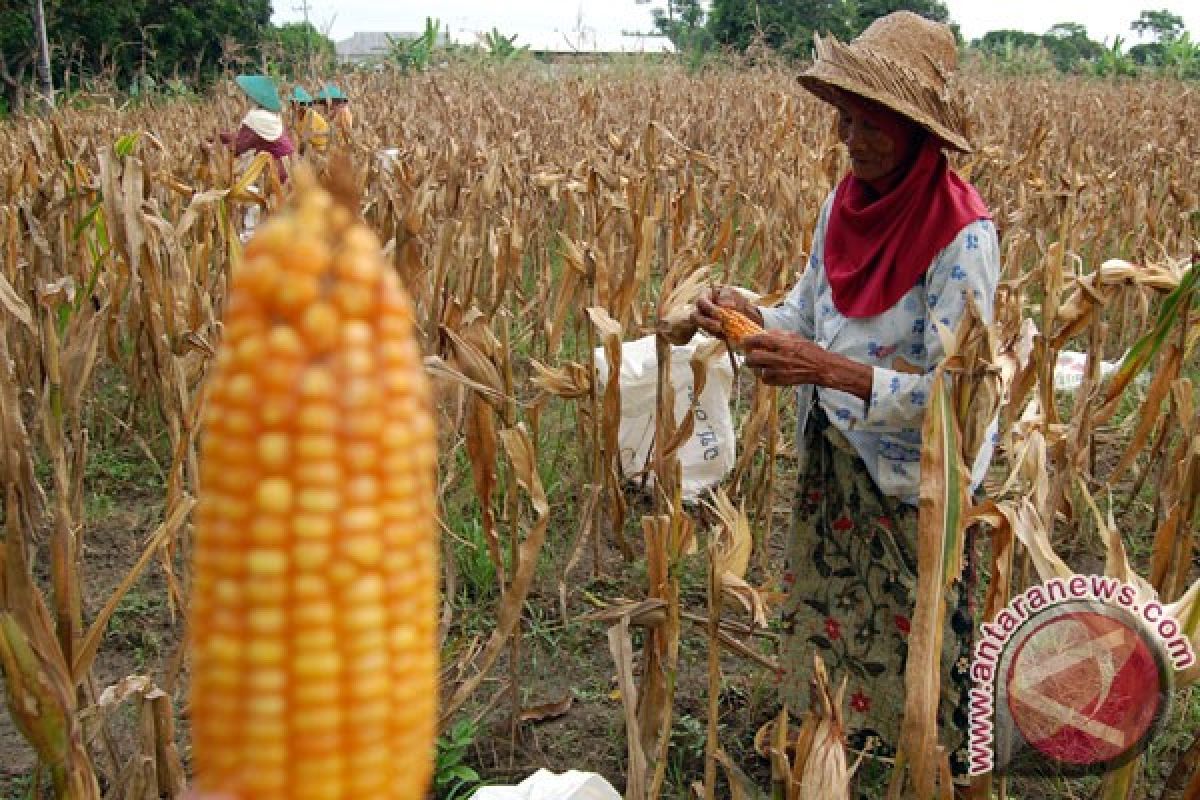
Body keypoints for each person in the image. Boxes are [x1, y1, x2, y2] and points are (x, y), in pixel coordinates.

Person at [693, 11, 999, 791]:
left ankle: (936, 766)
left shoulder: (962, 238)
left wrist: (830, 370)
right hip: (837, 454)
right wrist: (751, 317)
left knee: (925, 632)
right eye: (844, 116)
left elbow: (955, 400)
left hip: (913, 484)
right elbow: (808, 312)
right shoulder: (844, 205)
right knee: (840, 615)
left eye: (867, 123)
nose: (847, 137)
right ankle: (849, 743)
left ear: (914, 130)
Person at [218, 75, 295, 184]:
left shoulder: (256, 117)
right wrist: (222, 137)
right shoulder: (271, 115)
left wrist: (216, 147)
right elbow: (249, 138)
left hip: (276, 173)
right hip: (288, 166)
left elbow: (238, 147)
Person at [290, 85, 330, 155]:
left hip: (321, 146)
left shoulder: (310, 114)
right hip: (311, 145)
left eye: (295, 103)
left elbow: (305, 138)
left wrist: (300, 155)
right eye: (293, 103)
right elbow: (294, 129)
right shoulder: (296, 115)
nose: (293, 106)